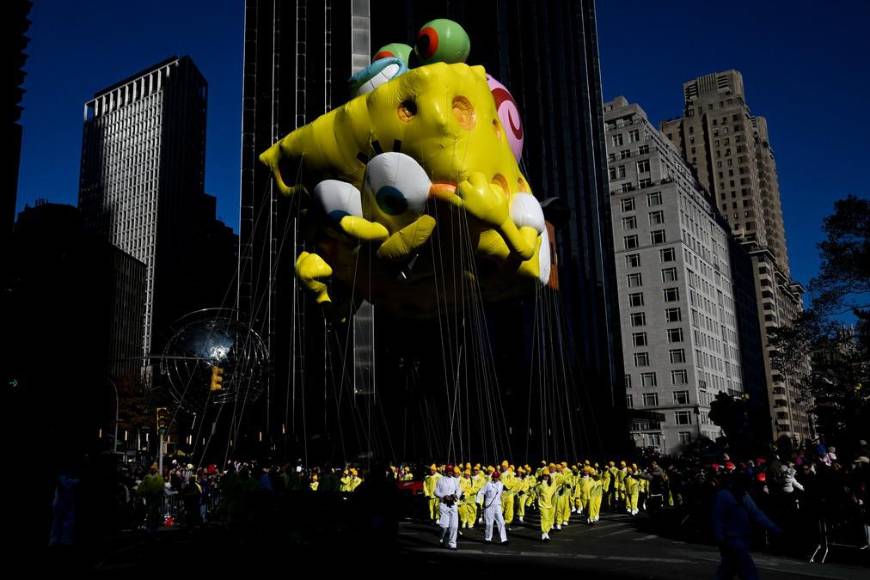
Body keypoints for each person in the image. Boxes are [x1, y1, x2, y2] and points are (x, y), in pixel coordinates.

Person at [712, 472, 782, 580]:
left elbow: (757, 514)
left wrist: (774, 528)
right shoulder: (725, 496)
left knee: (726, 572)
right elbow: (718, 519)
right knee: (749, 573)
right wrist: (720, 538)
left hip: (738, 540)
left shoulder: (743, 496)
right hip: (732, 540)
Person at [435, 465, 463, 550]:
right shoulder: (440, 480)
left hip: (453, 505)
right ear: (446, 471)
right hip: (444, 505)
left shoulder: (455, 480)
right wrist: (443, 496)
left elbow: (459, 490)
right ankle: (441, 538)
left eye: (452, 471)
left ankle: (452, 544)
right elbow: (435, 491)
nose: (451, 472)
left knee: (454, 526)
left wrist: (456, 495)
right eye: (449, 471)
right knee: (444, 526)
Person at [477, 471, 508, 544]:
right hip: (489, 506)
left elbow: (502, 495)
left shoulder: (501, 484)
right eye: (494, 477)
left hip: (497, 505)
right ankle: (488, 538)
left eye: (496, 477)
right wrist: (478, 502)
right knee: (489, 523)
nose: (495, 478)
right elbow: (481, 492)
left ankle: (504, 539)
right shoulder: (488, 484)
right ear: (492, 477)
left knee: (501, 522)